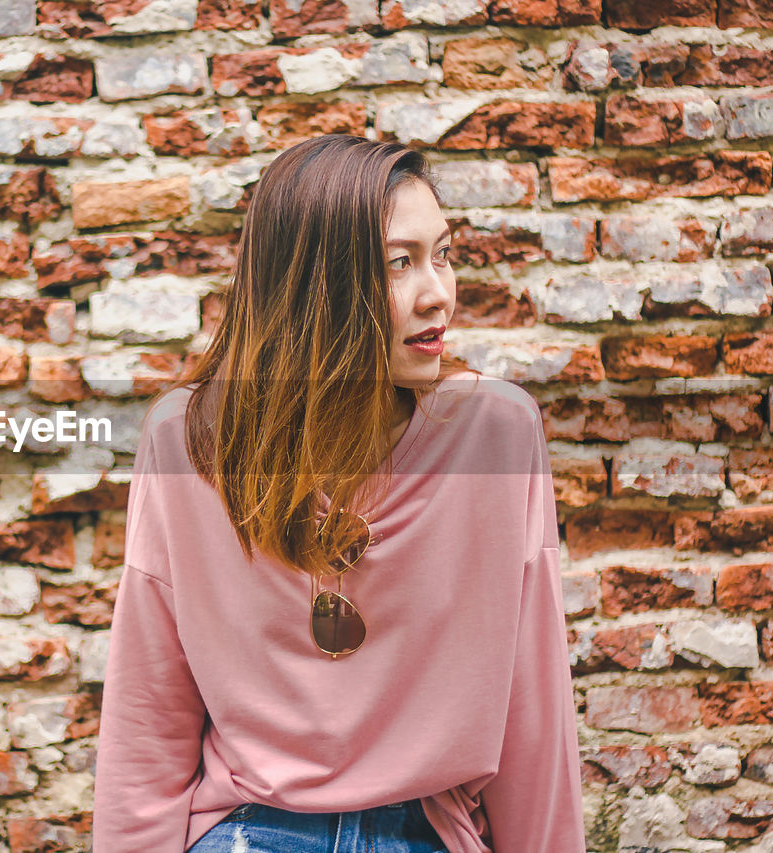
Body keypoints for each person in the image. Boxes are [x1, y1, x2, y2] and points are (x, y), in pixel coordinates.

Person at [90, 136, 586, 852]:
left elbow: (533, 713)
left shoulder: (498, 438)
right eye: (399, 263)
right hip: (250, 830)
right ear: (314, 286)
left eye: (443, 254)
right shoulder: (186, 441)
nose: (438, 291)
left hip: (425, 830)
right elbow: (150, 716)